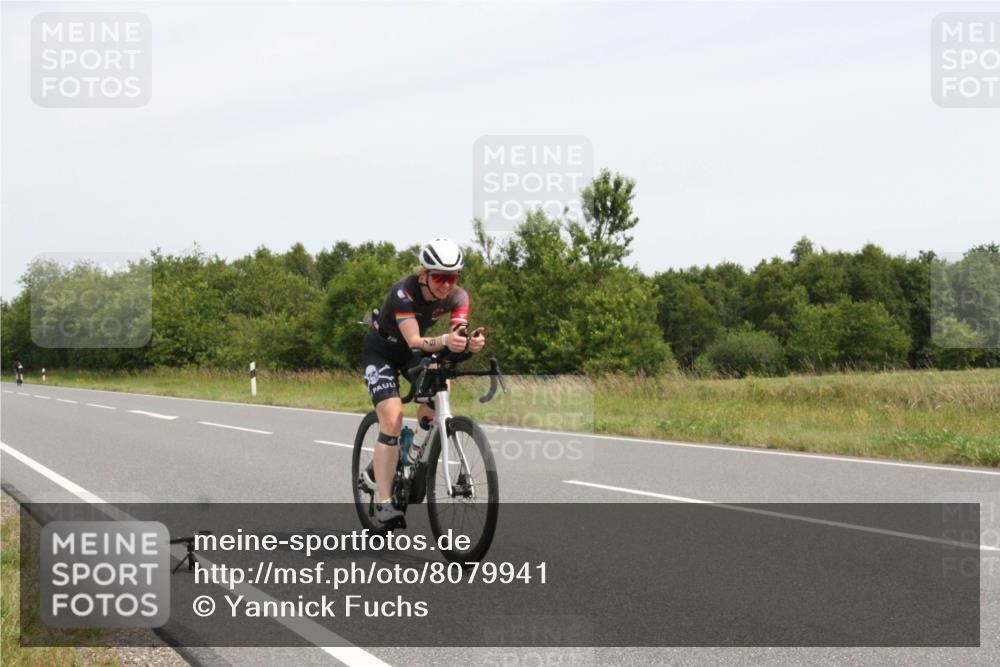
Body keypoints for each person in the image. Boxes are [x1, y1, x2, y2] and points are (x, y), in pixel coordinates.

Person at [361, 237, 486, 522]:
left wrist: (468, 344)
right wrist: (445, 340)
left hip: (414, 353)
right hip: (383, 351)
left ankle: (413, 448)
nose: (446, 284)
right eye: (440, 277)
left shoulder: (459, 297)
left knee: (440, 388)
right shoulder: (403, 293)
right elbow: (415, 340)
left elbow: (457, 334)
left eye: (452, 277)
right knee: (392, 418)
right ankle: (384, 502)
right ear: (424, 274)